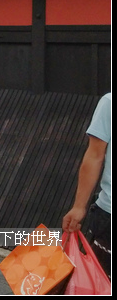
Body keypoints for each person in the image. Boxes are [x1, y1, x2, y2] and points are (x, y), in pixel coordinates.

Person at [63, 92, 111, 276]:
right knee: (102, 282)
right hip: (109, 215)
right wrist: (78, 207)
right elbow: (94, 156)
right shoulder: (110, 103)